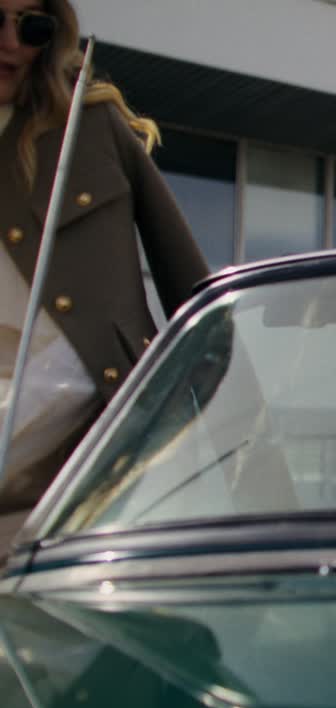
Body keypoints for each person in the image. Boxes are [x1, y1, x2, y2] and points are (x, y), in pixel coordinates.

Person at [0, 0, 208, 546]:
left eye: (32, 27)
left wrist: (249, 444)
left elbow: (190, 286)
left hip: (107, 479)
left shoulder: (88, 127)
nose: (12, 42)